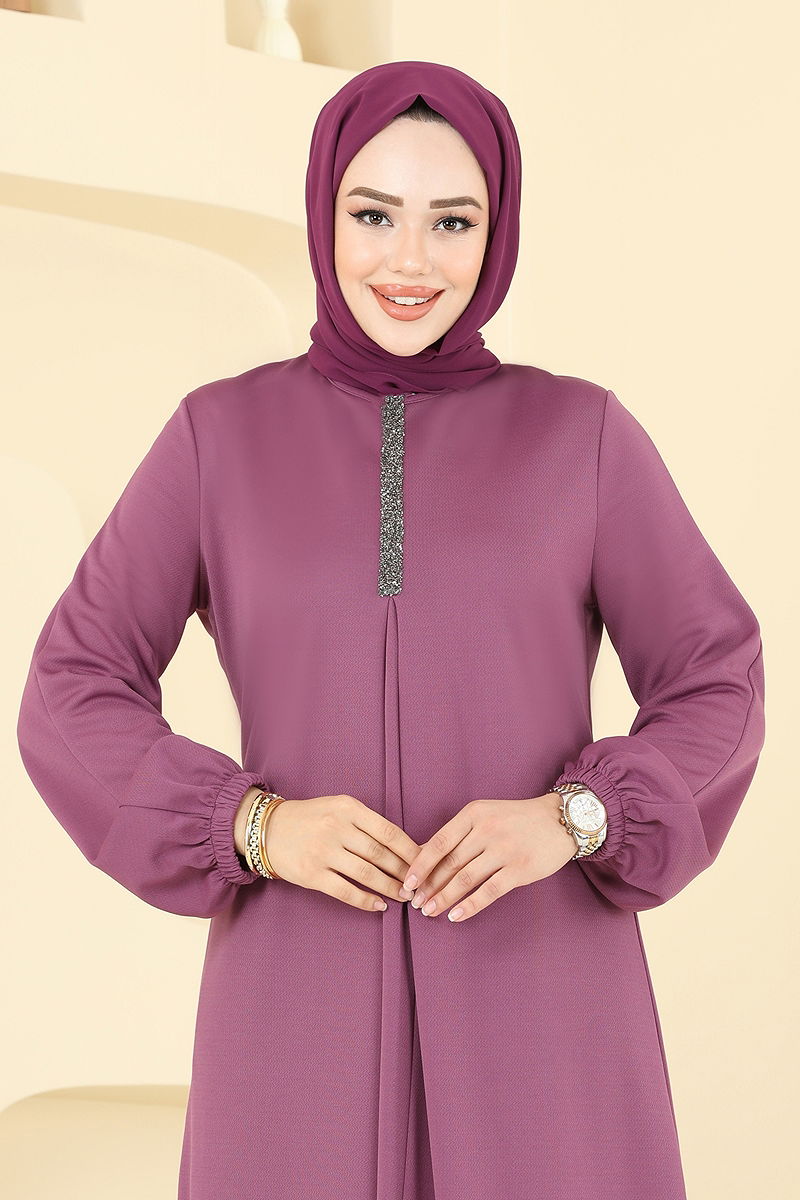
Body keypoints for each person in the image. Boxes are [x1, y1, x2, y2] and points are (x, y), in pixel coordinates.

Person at [16, 59, 765, 1200]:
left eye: (451, 221)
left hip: (543, 1003)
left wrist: (574, 818)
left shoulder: (581, 436)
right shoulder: (220, 438)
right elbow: (72, 685)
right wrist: (255, 826)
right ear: (325, 218)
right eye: (373, 216)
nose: (409, 262)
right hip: (296, 1005)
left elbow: (717, 677)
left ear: (495, 235)